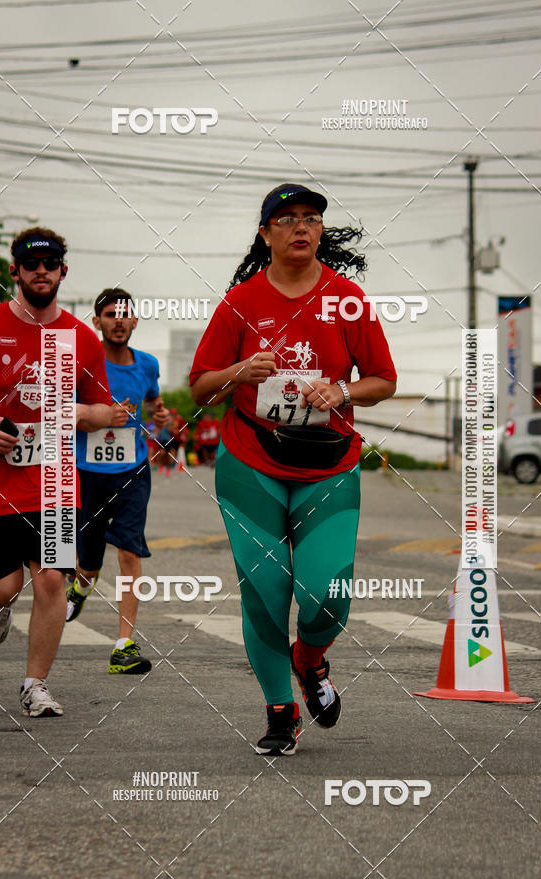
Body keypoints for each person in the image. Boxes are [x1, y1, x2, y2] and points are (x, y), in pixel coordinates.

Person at [190, 184, 396, 755]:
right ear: (266, 234)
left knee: (327, 593)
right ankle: (280, 711)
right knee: (266, 589)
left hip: (328, 463)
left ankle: (311, 660)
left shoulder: (347, 300)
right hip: (250, 461)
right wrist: (239, 370)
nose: (301, 227)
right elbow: (201, 387)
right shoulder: (240, 303)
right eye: (286, 219)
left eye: (311, 218)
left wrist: (342, 388)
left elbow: (383, 380)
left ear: (321, 231)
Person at [0, 227, 125, 717]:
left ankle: (36, 685)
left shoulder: (79, 338)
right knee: (3, 586)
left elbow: (101, 411)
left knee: (53, 581)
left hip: (55, 481)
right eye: (31, 263)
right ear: (14, 270)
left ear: (63, 271)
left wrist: (78, 414)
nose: (42, 270)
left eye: (51, 263)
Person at [65, 288, 170, 674]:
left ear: (135, 320)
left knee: (129, 553)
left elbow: (155, 401)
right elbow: (60, 409)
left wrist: (160, 417)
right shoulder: (81, 364)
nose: (119, 320)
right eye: (110, 314)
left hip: (132, 472)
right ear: (97, 322)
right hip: (87, 472)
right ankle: (81, 585)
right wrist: (97, 415)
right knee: (88, 565)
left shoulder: (147, 365)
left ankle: (123, 645)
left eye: (125, 314)